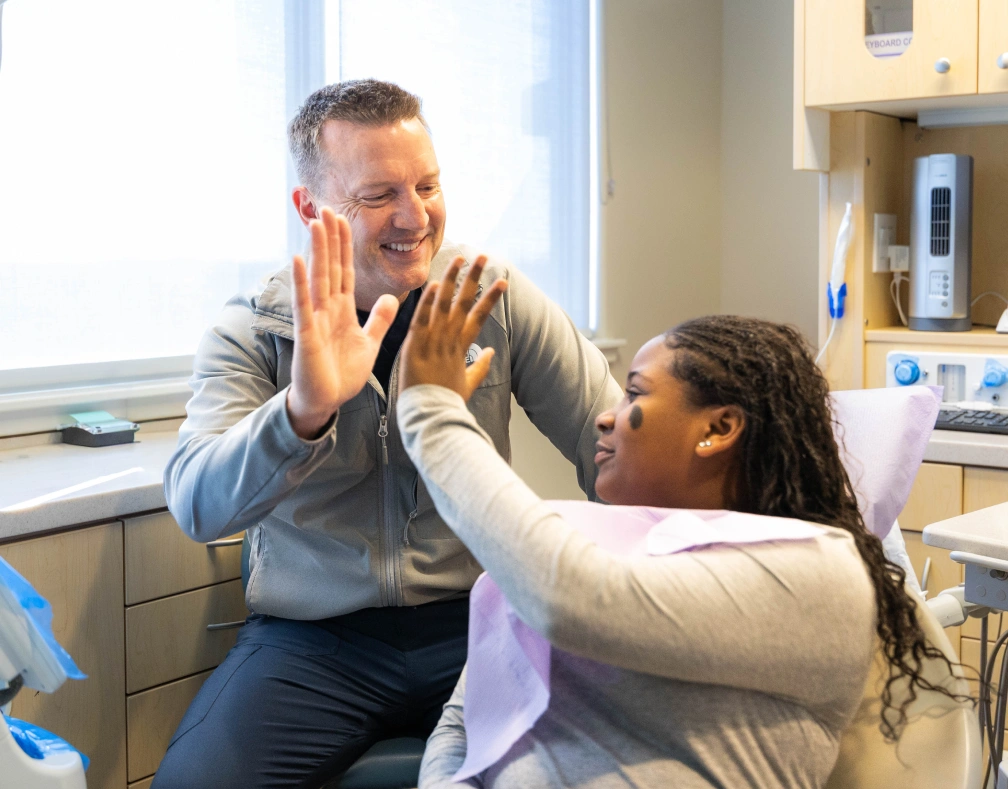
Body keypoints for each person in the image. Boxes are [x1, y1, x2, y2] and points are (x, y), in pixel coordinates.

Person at [153, 80, 621, 788]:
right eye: (379, 196)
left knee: (603, 767)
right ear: (312, 208)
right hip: (313, 644)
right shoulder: (253, 331)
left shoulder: (489, 296)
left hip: (479, 624)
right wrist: (301, 410)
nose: (415, 216)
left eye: (427, 185)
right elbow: (198, 504)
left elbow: (612, 448)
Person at [394, 262, 960, 788]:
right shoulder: (596, 543)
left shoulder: (819, 574)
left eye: (635, 392)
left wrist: (432, 415)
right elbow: (465, 723)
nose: (606, 415)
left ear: (718, 428)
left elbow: (573, 600)